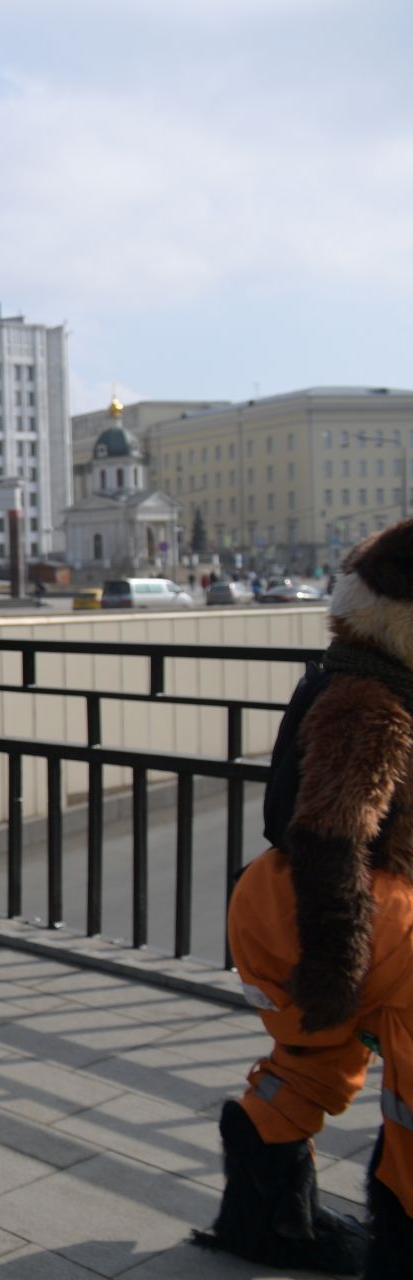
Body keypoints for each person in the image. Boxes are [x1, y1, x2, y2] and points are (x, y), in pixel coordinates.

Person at [196, 520, 413, 1278]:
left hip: (273, 900)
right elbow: (331, 830)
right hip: (349, 914)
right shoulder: (376, 699)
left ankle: (264, 1217)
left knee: (312, 1060)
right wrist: (334, 963)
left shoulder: (336, 671)